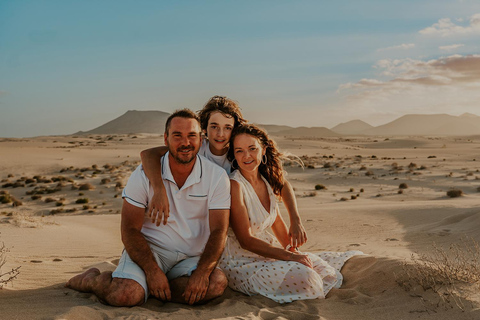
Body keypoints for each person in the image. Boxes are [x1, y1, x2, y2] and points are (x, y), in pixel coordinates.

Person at [66, 109, 231, 306]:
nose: (185, 142)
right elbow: (129, 229)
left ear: (201, 139)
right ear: (165, 138)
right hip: (152, 251)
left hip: (192, 257)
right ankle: (91, 280)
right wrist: (152, 271)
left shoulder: (216, 176)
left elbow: (219, 230)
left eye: (191, 136)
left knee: (216, 283)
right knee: (125, 295)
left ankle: (151, 287)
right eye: (177, 135)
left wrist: (203, 272)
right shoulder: (143, 175)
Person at [218, 124, 362, 303]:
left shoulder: (266, 179)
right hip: (240, 262)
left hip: (267, 253)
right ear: (234, 155)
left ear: (263, 151)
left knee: (325, 271)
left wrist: (290, 248)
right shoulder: (235, 185)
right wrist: (290, 257)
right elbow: (245, 241)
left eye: (252, 149)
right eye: (239, 151)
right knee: (307, 278)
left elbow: (276, 221)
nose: (246, 156)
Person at [141, 96, 307, 250]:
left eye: (227, 128)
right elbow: (148, 154)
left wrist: (295, 220)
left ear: (234, 130)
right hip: (190, 227)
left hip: (227, 233)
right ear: (204, 127)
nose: (220, 134)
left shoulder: (240, 156)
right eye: (214, 127)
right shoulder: (195, 148)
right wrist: (159, 188)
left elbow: (279, 184)